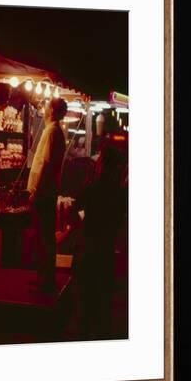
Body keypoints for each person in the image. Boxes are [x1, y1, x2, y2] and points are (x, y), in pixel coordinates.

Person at [72, 135, 128, 339]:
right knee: (104, 305)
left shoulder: (92, 188)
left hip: (88, 251)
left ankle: (84, 337)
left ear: (103, 165)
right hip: (106, 252)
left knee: (85, 304)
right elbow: (120, 223)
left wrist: (83, 222)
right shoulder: (121, 194)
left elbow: (74, 210)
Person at [27, 97, 67, 293]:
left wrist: (35, 190)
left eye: (45, 107)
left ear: (52, 110)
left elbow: (46, 163)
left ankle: (46, 279)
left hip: (44, 192)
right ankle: (44, 276)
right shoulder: (56, 131)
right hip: (47, 191)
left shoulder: (52, 131)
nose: (42, 111)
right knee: (44, 236)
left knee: (43, 237)